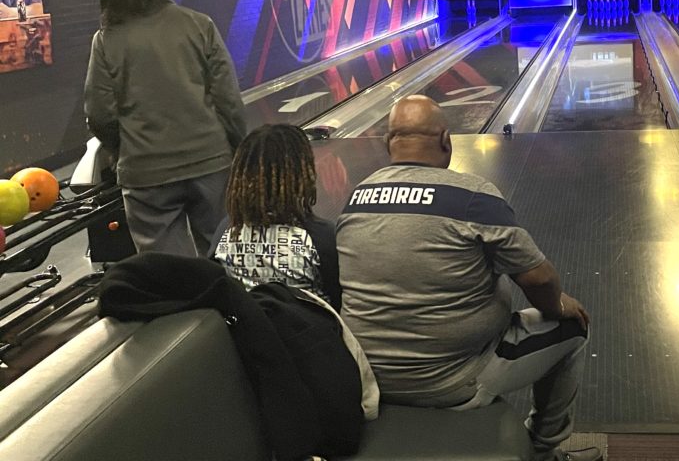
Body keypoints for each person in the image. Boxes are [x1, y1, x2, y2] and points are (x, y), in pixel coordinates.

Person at [336, 95, 601, 461]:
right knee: (574, 328)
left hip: (370, 380)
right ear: (446, 140)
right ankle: (542, 450)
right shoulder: (472, 198)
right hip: (455, 378)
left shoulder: (356, 199)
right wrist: (557, 305)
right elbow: (539, 280)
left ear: (388, 144)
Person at [84, 0, 247, 256]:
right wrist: (240, 147)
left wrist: (125, 148)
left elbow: (100, 114)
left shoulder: (105, 42)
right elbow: (228, 100)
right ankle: (226, 305)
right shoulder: (199, 25)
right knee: (223, 255)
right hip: (210, 162)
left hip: (146, 175)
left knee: (168, 271)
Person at [212, 124, 340, 310]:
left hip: (252, 333)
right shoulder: (320, 237)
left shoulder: (226, 231)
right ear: (301, 174)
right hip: (310, 334)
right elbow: (341, 299)